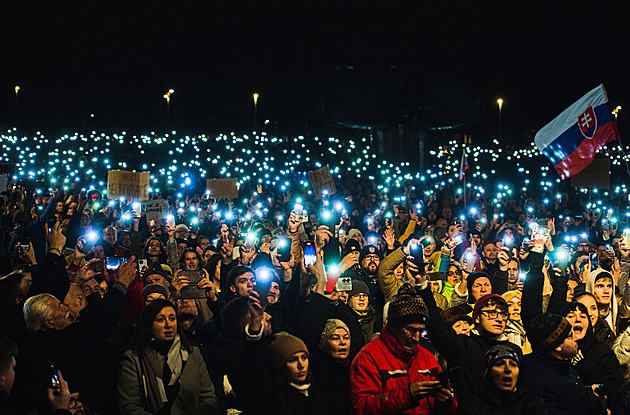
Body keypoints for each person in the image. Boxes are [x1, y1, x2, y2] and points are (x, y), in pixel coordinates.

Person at [350, 284, 456, 414]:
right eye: (411, 330)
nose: (416, 338)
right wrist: (406, 395)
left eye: (421, 331)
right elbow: (361, 407)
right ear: (394, 326)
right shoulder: (368, 358)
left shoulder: (427, 358)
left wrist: (444, 402)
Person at [118, 299, 218, 414]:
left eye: (172, 318)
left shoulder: (192, 353)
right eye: (160, 320)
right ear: (149, 324)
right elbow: (129, 406)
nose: (168, 325)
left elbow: (209, 398)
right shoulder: (134, 359)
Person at [519, 312, 599, 415]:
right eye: (570, 336)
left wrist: (587, 392)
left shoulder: (562, 365)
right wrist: (588, 402)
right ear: (557, 346)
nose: (575, 338)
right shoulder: (538, 380)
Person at [458, 344, 547, 415]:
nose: (508, 369)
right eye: (500, 364)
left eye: (513, 364)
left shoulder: (532, 404)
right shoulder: (472, 407)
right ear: (488, 374)